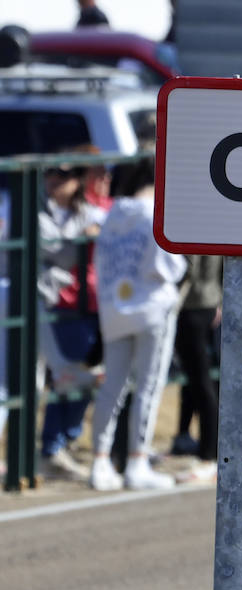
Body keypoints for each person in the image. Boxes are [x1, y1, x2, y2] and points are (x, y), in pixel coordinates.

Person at [87, 156, 185, 492]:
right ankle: (136, 460)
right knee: (148, 386)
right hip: (152, 308)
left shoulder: (113, 214)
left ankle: (100, 460)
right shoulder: (153, 215)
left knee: (112, 386)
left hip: (115, 306)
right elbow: (171, 266)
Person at [36, 154, 107, 482]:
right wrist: (81, 240)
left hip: (95, 304)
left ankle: (64, 442)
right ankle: (52, 447)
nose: (55, 178)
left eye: (64, 174)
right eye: (51, 172)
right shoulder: (35, 210)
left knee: (86, 379)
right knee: (66, 379)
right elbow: (58, 253)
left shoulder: (92, 210)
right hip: (61, 305)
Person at [169, 254, 222, 473]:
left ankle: (209, 451)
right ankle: (204, 445)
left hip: (193, 303)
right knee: (199, 380)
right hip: (209, 300)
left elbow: (188, 266)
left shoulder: (195, 226)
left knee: (201, 381)